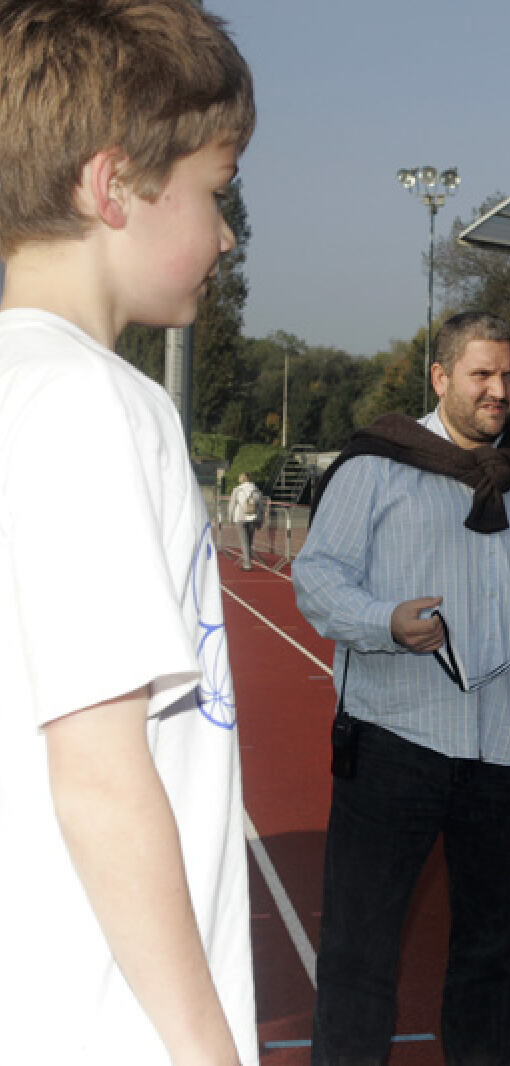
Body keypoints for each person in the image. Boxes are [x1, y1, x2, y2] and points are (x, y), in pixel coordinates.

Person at [0, 2, 257, 1065]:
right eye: (214, 191)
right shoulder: (97, 403)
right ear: (113, 187)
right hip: (110, 1023)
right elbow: (102, 773)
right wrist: (208, 1052)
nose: (226, 235)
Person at [293, 311, 510, 1066]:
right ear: (440, 377)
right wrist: (385, 622)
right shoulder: (376, 466)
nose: (500, 390)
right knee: (360, 948)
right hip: (395, 740)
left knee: (497, 951)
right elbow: (317, 576)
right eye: (481, 374)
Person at [229, 471, 263, 570]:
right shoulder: (256, 490)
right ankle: (248, 559)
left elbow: (232, 505)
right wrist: (260, 520)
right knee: (249, 540)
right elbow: (260, 507)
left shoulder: (237, 490)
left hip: (240, 518)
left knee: (244, 541)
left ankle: (247, 564)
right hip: (253, 517)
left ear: (242, 479)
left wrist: (230, 518)